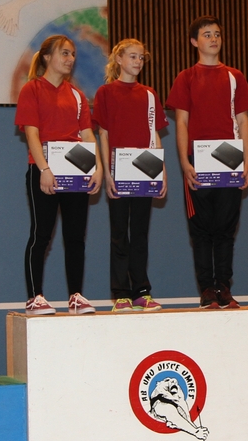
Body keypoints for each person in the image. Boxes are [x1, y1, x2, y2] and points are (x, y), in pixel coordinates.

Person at [166, 16, 248, 308]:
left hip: (230, 159)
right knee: (202, 228)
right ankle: (207, 289)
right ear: (195, 42)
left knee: (226, 227)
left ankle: (224, 287)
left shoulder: (235, 76)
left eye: (217, 34)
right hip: (198, 159)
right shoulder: (185, 77)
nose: (213, 39)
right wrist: (185, 163)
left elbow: (243, 122)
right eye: (207, 34)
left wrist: (247, 164)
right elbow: (181, 122)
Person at [16, 34, 103, 315]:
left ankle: (76, 296)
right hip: (44, 171)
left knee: (75, 236)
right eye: (64, 53)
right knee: (41, 234)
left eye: (73, 54)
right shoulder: (32, 89)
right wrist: (44, 169)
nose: (70, 59)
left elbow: (87, 133)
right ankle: (35, 296)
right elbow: (32, 133)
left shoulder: (77, 95)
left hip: (75, 172)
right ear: (47, 58)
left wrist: (97, 166)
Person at [94, 38, 168, 312]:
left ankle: (142, 291)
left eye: (141, 58)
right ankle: (121, 293)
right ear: (119, 60)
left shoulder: (149, 94)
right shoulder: (105, 93)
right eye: (133, 57)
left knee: (140, 234)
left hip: (146, 171)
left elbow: (155, 134)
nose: (138, 62)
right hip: (119, 171)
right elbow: (103, 133)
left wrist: (161, 172)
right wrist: (109, 171)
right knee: (119, 234)